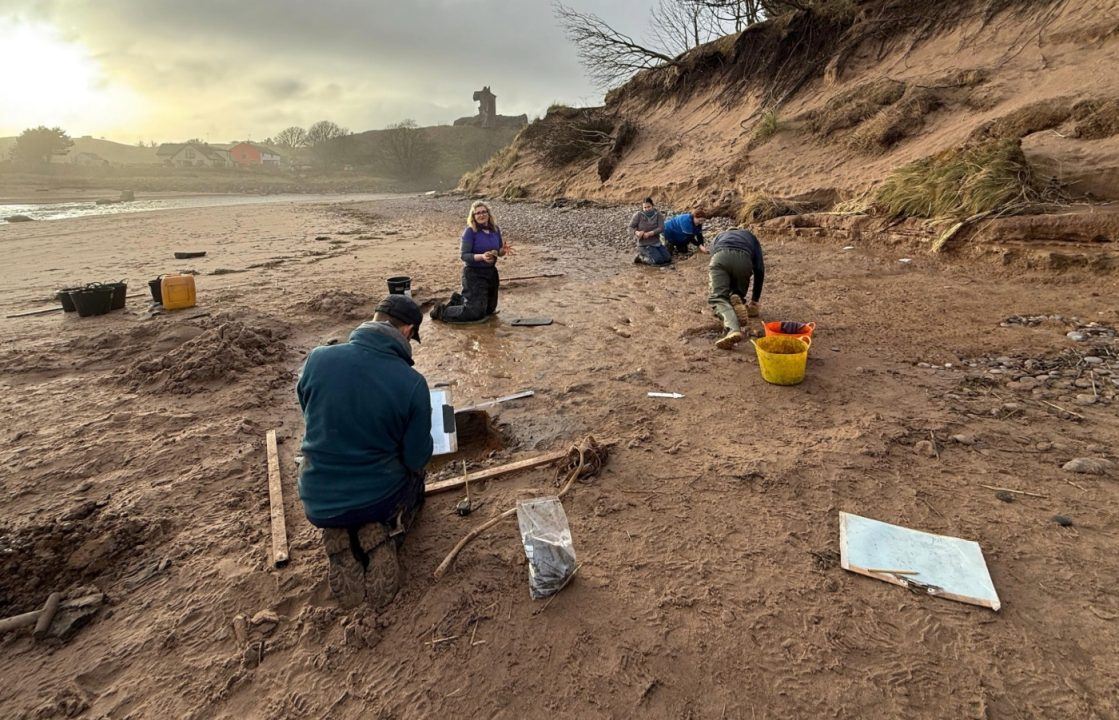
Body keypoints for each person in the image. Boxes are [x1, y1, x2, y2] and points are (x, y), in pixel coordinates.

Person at [296, 294, 433, 608]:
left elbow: (309, 413)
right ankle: (387, 534)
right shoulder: (412, 383)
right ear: (409, 331)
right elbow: (415, 458)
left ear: (374, 318)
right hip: (378, 499)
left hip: (318, 500)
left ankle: (340, 535)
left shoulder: (318, 358)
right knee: (417, 480)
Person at [430, 201, 507, 323]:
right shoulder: (470, 231)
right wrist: (482, 257)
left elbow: (499, 250)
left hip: (491, 273)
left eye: (484, 212)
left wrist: (502, 251)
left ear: (488, 213)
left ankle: (458, 299)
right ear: (473, 216)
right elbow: (464, 255)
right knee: (475, 313)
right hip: (473, 273)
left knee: (489, 310)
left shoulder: (495, 230)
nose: (481, 215)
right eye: (478, 213)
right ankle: (441, 310)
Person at [703, 227, 765, 350]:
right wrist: (754, 300)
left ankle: (733, 329)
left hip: (720, 257)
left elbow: (713, 255)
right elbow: (759, 269)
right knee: (737, 293)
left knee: (718, 298)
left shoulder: (719, 236)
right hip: (743, 259)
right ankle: (737, 300)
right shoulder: (750, 236)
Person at [629, 197, 669, 266]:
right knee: (658, 261)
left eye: (649, 207)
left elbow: (661, 228)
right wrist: (637, 232)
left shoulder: (658, 215)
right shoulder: (638, 215)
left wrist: (650, 233)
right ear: (642, 207)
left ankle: (651, 254)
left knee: (668, 259)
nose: (647, 209)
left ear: (652, 206)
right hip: (644, 244)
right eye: (645, 207)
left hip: (656, 242)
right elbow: (630, 227)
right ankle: (641, 257)